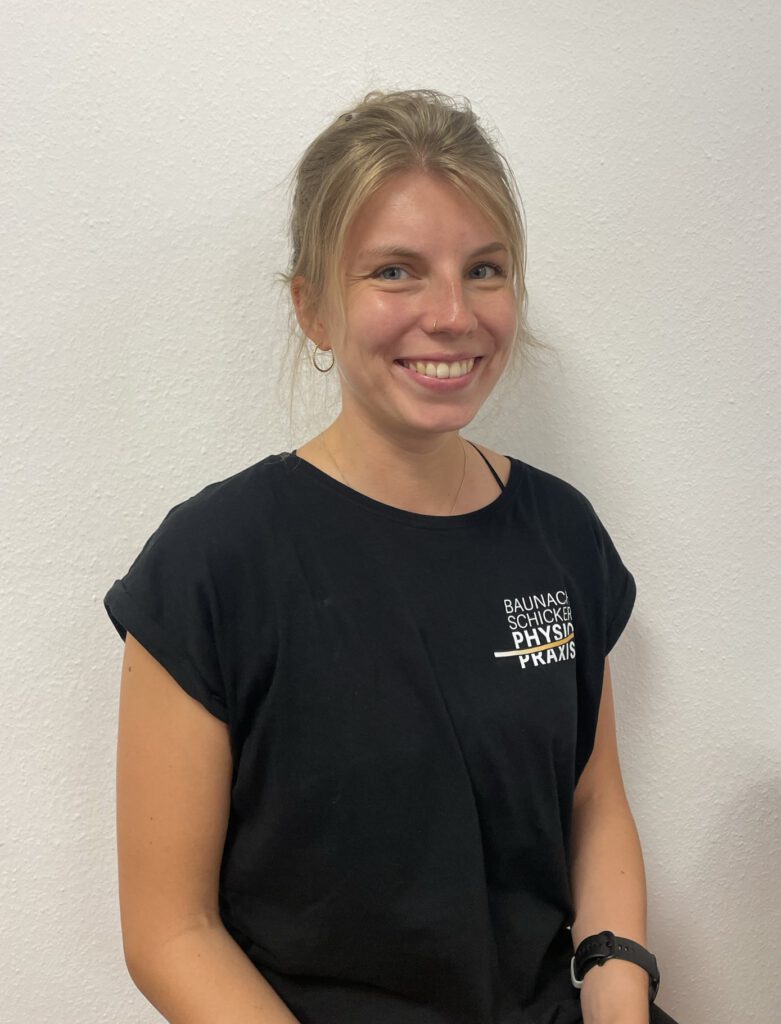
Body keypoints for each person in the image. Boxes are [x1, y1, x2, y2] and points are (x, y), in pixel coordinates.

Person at [105, 89, 680, 1024]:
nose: (451, 314)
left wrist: (618, 989)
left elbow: (592, 801)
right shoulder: (212, 565)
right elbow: (172, 933)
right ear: (312, 308)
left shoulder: (560, 532)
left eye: (483, 269)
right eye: (395, 272)